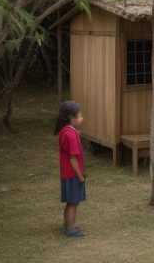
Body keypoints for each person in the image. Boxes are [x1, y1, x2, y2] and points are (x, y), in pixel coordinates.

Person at [57, 101, 86, 237]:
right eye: (80, 116)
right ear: (72, 118)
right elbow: (73, 158)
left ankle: (68, 224)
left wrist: (76, 134)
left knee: (71, 201)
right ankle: (70, 228)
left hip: (66, 173)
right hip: (73, 174)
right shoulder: (71, 134)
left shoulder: (66, 131)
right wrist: (80, 176)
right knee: (74, 202)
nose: (82, 118)